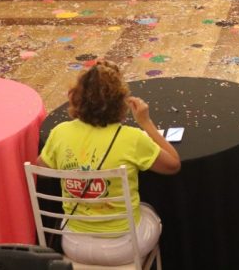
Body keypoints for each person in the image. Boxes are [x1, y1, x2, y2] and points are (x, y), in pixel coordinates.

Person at [38, 60, 180, 267]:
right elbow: (173, 164)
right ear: (121, 101)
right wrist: (145, 122)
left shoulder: (60, 133)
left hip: (72, 243)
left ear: (75, 97)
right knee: (150, 210)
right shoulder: (132, 138)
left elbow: (41, 169)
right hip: (122, 248)